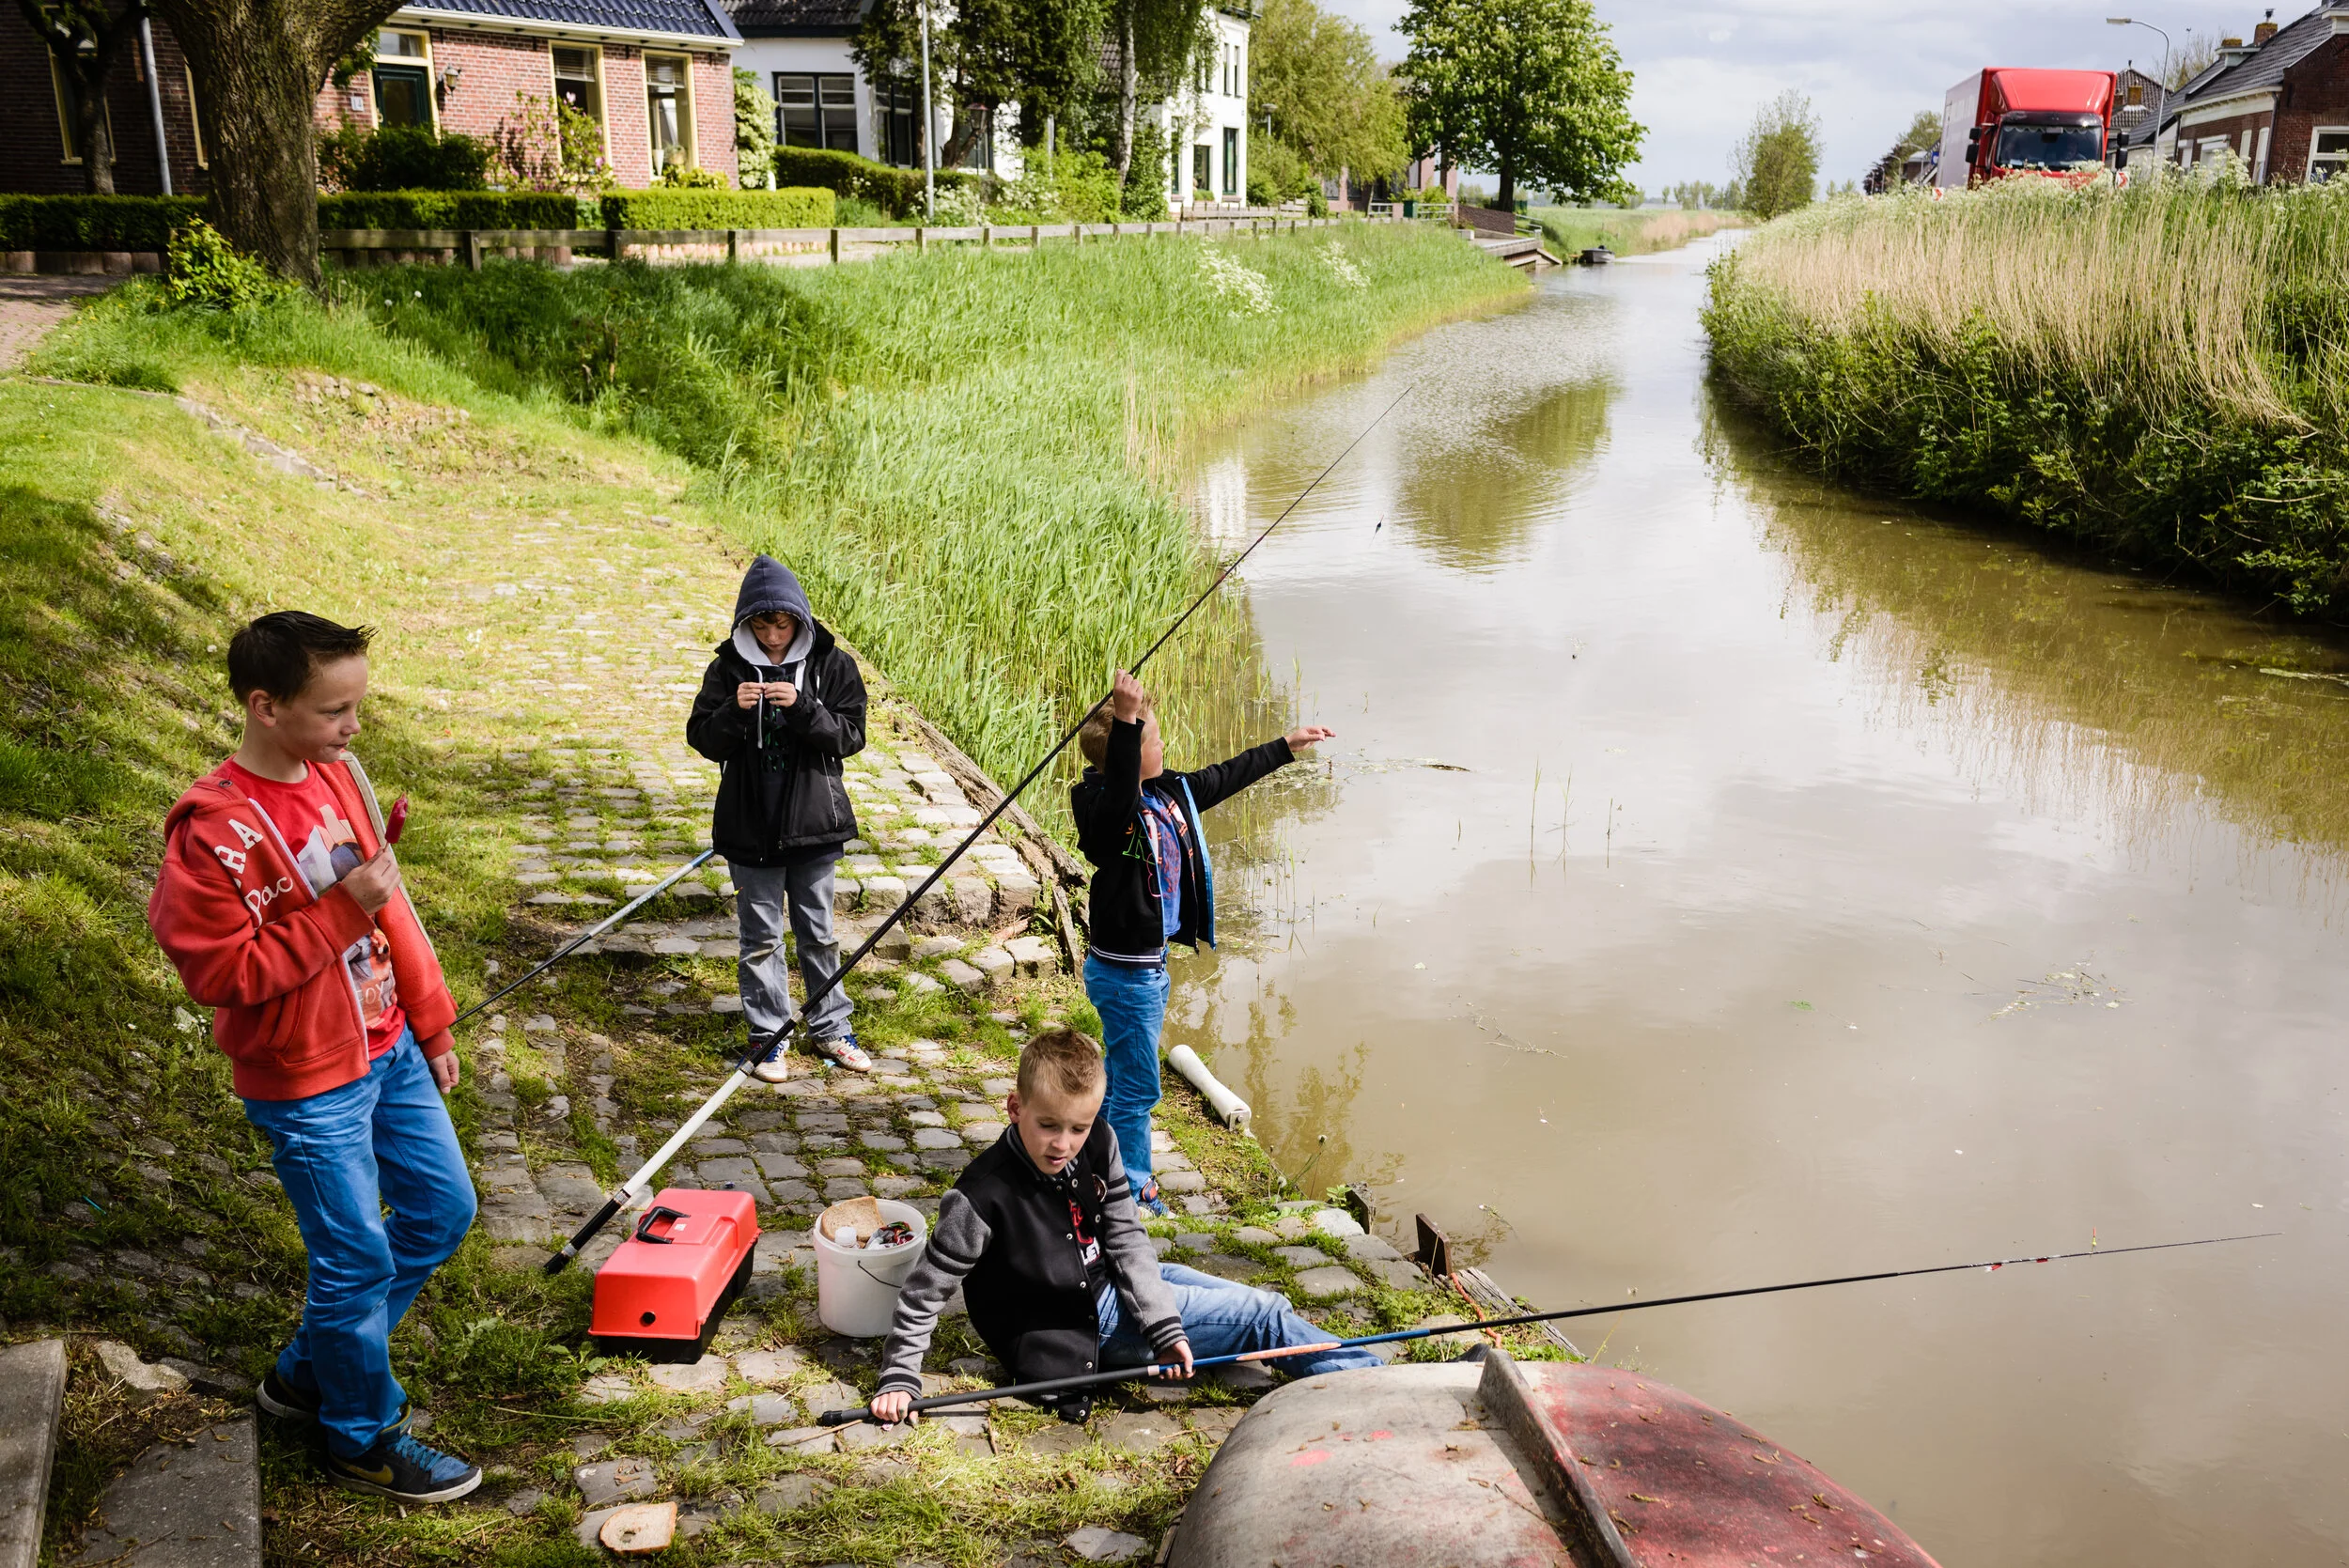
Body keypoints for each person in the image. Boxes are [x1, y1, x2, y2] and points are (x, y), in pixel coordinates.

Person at [146, 612, 481, 1503]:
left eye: (358, 705)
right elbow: (221, 972)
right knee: (354, 1257)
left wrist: (432, 1022)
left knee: (443, 1210)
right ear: (265, 706)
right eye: (336, 710)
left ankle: (305, 1373)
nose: (354, 728)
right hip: (307, 1081)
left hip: (389, 1047)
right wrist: (340, 909)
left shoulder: (339, 777)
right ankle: (359, 1434)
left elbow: (393, 913)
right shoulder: (213, 831)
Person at [868, 1028, 1381, 1424]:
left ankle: (1330, 1365)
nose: (1063, 1144)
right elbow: (924, 1293)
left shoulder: (1101, 1141)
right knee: (1263, 1315)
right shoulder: (980, 1195)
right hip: (1080, 1328)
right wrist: (899, 1377)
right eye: (1048, 1125)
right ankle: (1382, 1389)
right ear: (1015, 1107)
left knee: (1270, 1310)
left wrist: (1163, 1324)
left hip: (1109, 1279)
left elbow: (1127, 1237)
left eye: (1078, 1127)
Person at [1070, 670, 1332, 1215]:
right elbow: (1120, 792)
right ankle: (1131, 1187)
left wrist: (1285, 746)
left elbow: (1224, 776)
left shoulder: (1168, 792)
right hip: (1125, 975)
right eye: (1154, 739)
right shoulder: (1104, 814)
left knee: (1122, 1076)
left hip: (1146, 968)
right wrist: (1125, 720)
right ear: (1126, 753)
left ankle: (1093, 1161)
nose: (1163, 744)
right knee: (1140, 1087)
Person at [686, 554, 870, 1079]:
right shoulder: (727, 668)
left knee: (819, 932)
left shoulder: (833, 665)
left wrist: (802, 705)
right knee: (760, 936)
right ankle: (768, 1035)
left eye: (782, 623)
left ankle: (832, 1029)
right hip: (749, 828)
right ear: (745, 623)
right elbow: (701, 737)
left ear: (800, 620)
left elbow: (851, 735)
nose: (771, 634)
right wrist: (733, 712)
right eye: (761, 624)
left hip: (814, 826)